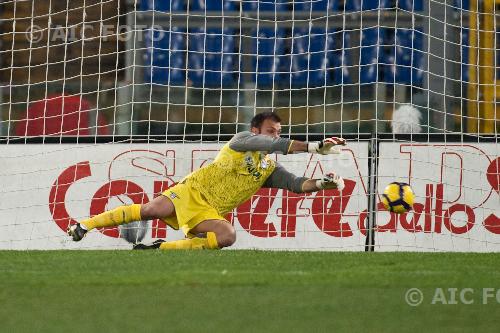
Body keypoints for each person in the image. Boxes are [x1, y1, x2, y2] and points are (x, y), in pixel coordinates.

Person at [68, 112, 346, 250]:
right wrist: (314, 146)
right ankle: (84, 225)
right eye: (270, 131)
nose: (274, 136)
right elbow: (272, 145)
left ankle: (158, 249)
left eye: (278, 132)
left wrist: (323, 184)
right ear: (255, 130)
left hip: (209, 211)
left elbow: (297, 184)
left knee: (228, 236)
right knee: (152, 210)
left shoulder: (268, 168)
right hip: (191, 191)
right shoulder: (241, 141)